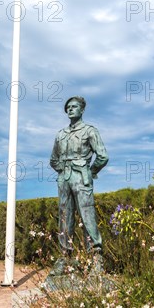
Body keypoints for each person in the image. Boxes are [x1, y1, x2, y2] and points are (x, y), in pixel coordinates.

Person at [49, 96, 109, 276]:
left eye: (74, 106)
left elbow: (102, 156)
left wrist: (89, 171)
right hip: (64, 179)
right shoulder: (60, 134)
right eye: (68, 107)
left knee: (87, 214)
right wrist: (63, 169)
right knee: (64, 216)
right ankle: (65, 257)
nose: (70, 109)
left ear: (82, 110)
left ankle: (96, 257)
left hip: (82, 177)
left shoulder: (90, 131)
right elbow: (53, 159)